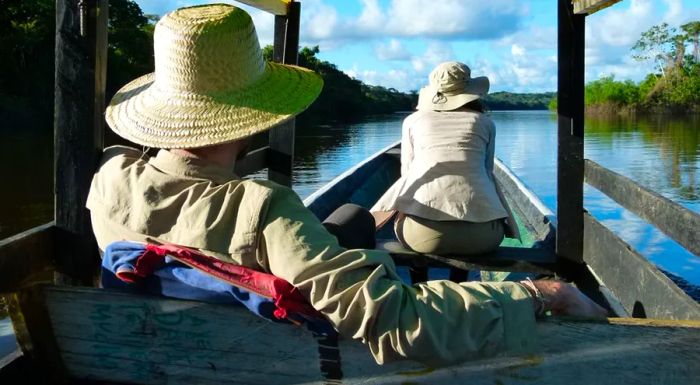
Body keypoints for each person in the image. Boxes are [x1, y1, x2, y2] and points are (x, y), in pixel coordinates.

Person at [87, 4, 607, 368]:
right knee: (350, 226)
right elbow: (395, 320)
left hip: (166, 353)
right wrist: (541, 294)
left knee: (352, 221)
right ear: (252, 116)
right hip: (280, 361)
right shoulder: (262, 207)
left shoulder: (108, 180)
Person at [372, 61, 519, 256]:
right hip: (483, 237)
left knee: (407, 216)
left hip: (422, 237)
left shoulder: (412, 121)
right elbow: (487, 171)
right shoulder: (485, 123)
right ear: (471, 92)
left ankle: (420, 281)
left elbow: (407, 173)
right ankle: (459, 280)